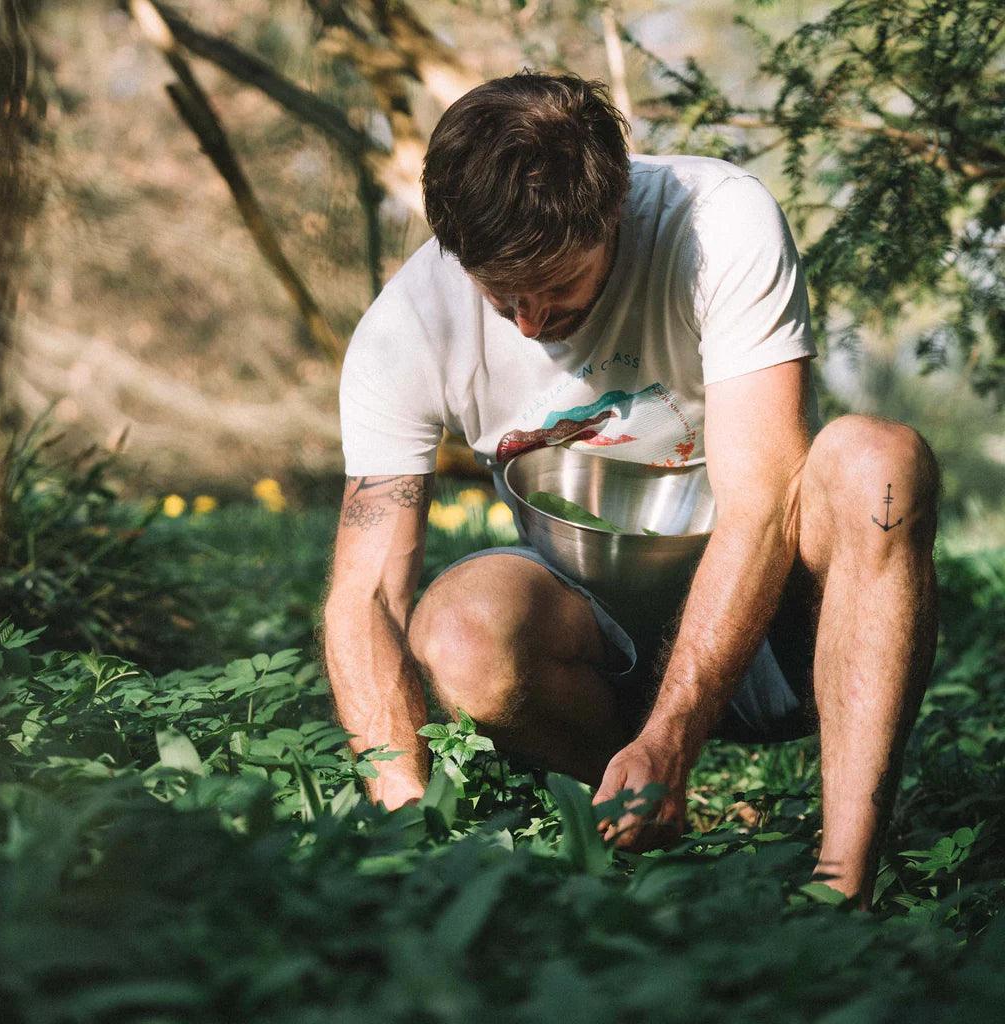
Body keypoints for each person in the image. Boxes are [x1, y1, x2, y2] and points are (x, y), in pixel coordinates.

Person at [322, 71, 940, 908]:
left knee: (880, 465)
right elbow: (366, 597)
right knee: (458, 632)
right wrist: (402, 821)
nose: (529, 322)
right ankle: (640, 816)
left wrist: (676, 732)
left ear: (613, 211)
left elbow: (762, 511)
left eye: (557, 286)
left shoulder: (716, 221)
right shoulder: (407, 326)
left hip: (781, 618)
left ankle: (843, 886)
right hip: (597, 635)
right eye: (501, 295)